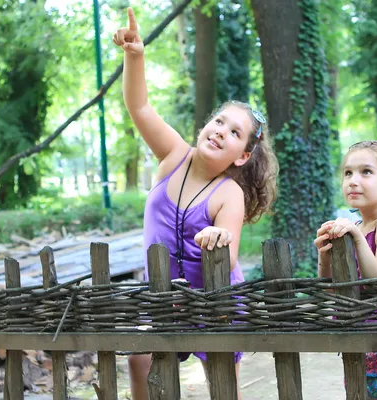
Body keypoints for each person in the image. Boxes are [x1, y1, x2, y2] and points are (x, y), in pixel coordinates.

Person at [113, 8, 278, 400]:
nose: (222, 131)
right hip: (163, 295)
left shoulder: (228, 193)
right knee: (141, 361)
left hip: (213, 301)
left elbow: (231, 253)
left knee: (222, 382)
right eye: (220, 121)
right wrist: (135, 56)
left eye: (235, 132)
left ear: (241, 156)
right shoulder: (173, 156)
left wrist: (219, 234)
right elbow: (140, 108)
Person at [314, 140, 377, 399]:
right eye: (348, 172)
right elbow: (332, 287)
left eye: (366, 172)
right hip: (357, 336)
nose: (353, 180)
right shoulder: (356, 225)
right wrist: (324, 257)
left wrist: (357, 239)